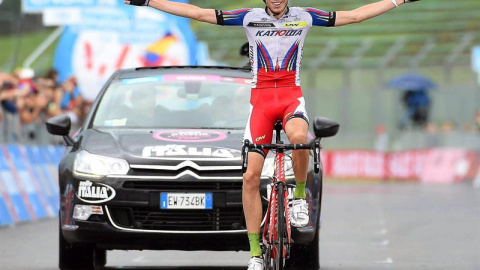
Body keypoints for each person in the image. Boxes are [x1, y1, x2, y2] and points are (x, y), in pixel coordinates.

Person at [124, 0, 422, 268]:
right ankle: (255, 253)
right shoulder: (248, 17)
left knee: (300, 139)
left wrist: (398, 0)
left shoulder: (305, 17)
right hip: (262, 103)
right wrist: (149, 1)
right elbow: (198, 12)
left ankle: (299, 198)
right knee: (251, 177)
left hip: (291, 98)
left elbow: (355, 16)